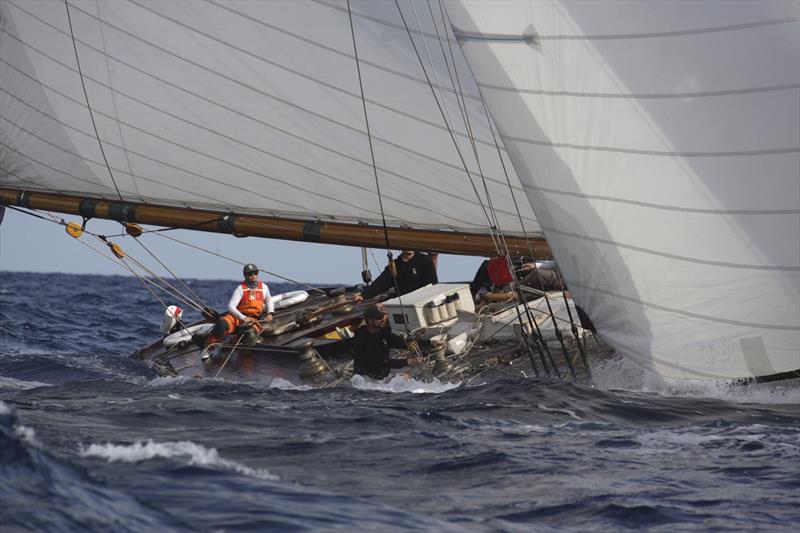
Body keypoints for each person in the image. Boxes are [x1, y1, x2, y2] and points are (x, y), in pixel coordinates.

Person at [202, 263, 274, 358]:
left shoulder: (264, 287)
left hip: (253, 320)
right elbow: (231, 306)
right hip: (237, 317)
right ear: (245, 275)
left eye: (255, 273)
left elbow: (269, 301)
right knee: (222, 325)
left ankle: (229, 344)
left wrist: (270, 313)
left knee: (250, 336)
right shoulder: (240, 289)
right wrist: (243, 318)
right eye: (250, 274)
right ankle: (208, 347)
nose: (253, 276)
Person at [351, 304, 418, 379]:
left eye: (383, 317)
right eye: (379, 318)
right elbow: (379, 361)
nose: (382, 320)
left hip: (383, 375)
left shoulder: (382, 333)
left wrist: (430, 343)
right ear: (369, 320)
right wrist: (407, 362)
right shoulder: (362, 338)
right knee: (405, 377)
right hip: (369, 380)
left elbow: (402, 343)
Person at [356, 250, 438, 301]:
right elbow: (382, 282)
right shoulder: (396, 265)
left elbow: (432, 286)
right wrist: (364, 295)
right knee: (375, 309)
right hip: (400, 300)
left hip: (420, 301)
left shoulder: (425, 261)